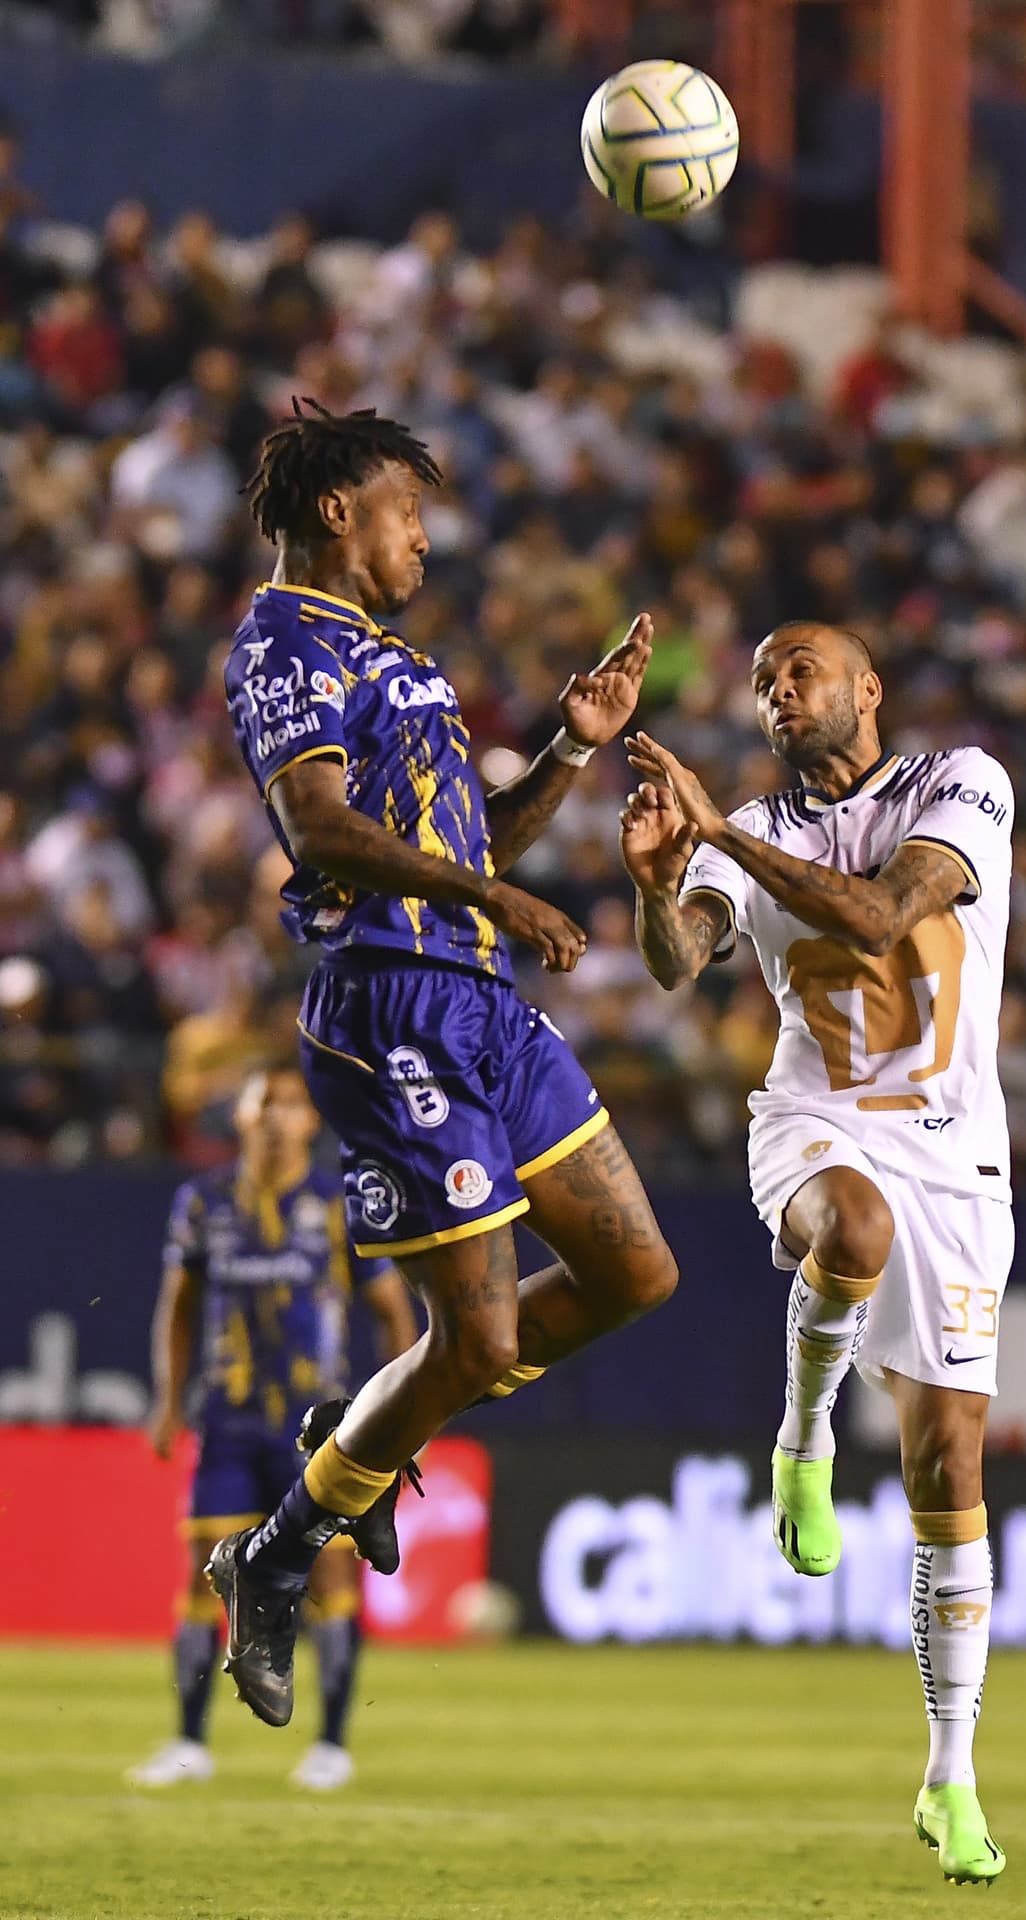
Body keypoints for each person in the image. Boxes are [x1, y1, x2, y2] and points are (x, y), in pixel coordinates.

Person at [207, 399, 679, 1726]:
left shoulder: (399, 659)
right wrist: (498, 909)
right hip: (392, 1008)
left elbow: (476, 855)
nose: (427, 533)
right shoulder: (284, 639)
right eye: (408, 509)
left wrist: (574, 747)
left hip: (483, 1005)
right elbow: (318, 830)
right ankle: (280, 1552)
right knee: (470, 1338)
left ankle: (365, 1428)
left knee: (637, 1272)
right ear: (341, 514)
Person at [622, 621, 1014, 1888]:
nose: (778, 692)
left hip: (956, 1155)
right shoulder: (751, 823)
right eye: (761, 683)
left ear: (866, 689)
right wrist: (653, 880)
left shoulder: (962, 785)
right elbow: (683, 958)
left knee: (949, 1459)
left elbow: (886, 913)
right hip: (815, 1123)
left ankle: (948, 1775)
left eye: (800, 671)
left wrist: (723, 835)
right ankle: (802, 1434)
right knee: (850, 1226)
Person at [127, 1064, 418, 1792]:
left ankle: (331, 1746)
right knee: (203, 1582)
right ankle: (190, 1743)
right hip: (226, 1420)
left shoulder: (339, 1204)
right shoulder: (203, 1201)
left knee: (328, 1581)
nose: (278, 1116)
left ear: (312, 1122)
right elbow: (180, 1304)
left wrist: (400, 1415)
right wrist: (168, 1400)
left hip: (315, 1430)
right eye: (266, 1102)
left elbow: (391, 1314)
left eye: (292, 1105)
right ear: (243, 1116)